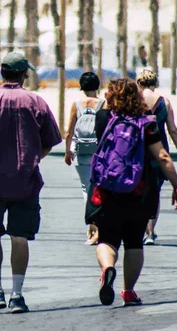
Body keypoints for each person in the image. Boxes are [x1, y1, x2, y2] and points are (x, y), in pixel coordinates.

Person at [0, 51, 61, 314]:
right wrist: (32, 158)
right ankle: (17, 295)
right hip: (25, 182)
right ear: (23, 74)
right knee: (19, 237)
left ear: (2, 72)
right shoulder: (36, 102)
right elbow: (50, 142)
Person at [91, 79, 177, 307]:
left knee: (107, 238)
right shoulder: (147, 123)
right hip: (139, 190)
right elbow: (162, 156)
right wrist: (176, 184)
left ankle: (108, 268)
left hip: (107, 188)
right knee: (134, 242)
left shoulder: (103, 118)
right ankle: (129, 291)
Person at [136, 70, 177, 245]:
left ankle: (138, 228)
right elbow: (172, 129)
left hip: (138, 150)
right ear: (155, 83)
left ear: (139, 83)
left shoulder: (135, 100)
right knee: (154, 191)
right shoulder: (165, 102)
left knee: (138, 189)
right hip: (159, 150)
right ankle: (150, 231)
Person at [64, 72, 105, 245]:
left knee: (85, 189)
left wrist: (68, 152)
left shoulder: (76, 104)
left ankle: (91, 226)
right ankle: (98, 227)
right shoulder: (103, 103)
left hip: (82, 151)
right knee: (99, 188)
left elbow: (69, 131)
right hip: (100, 153)